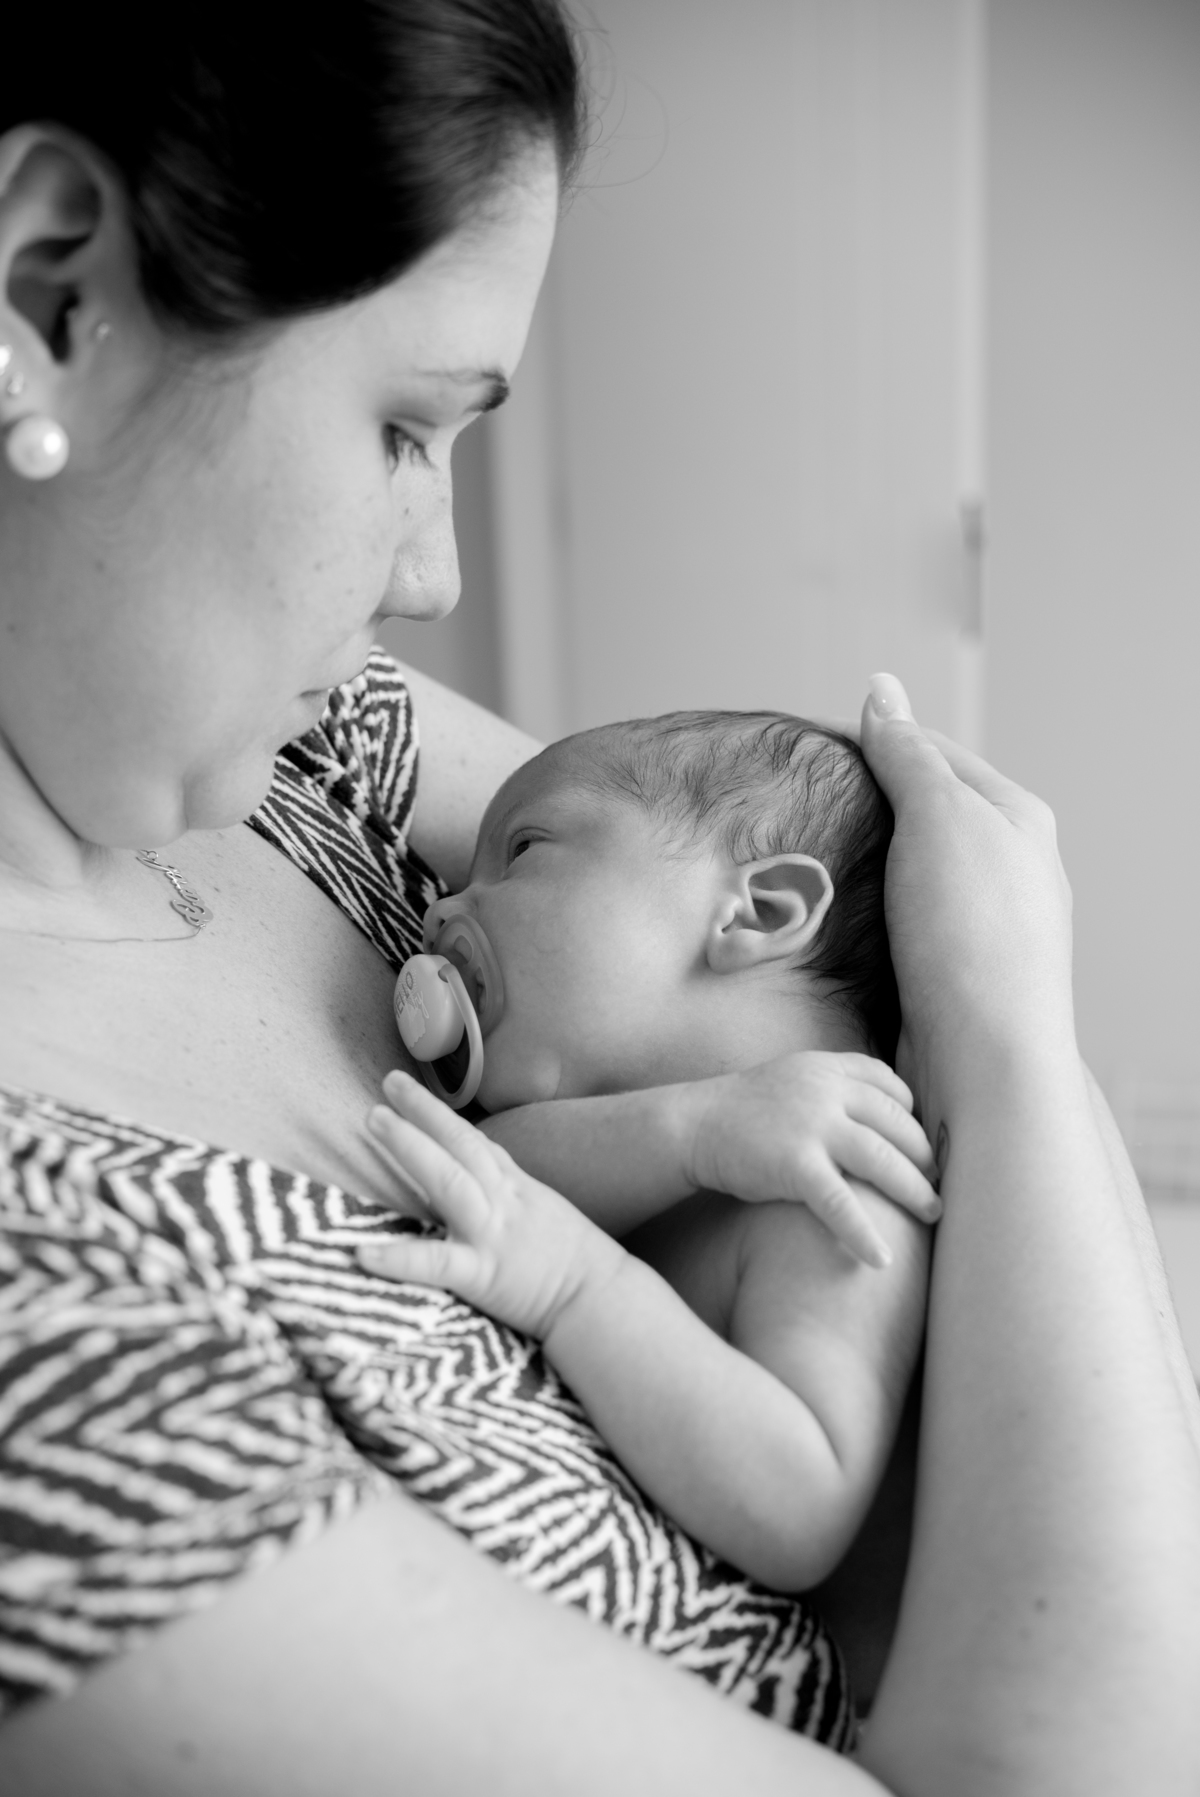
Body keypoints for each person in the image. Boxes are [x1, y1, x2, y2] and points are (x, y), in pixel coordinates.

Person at [1, 5, 1199, 1793]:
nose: (435, 574)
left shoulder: (304, 741)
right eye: (407, 426)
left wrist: (992, 1012)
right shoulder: (45, 1339)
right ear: (48, 293)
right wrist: (1013, 1033)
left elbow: (808, 899)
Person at [359, 709, 939, 1597]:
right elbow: (485, 1172)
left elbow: (798, 1502)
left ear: (757, 911)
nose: (441, 910)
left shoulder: (844, 1179)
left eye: (523, 850)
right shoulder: (650, 1130)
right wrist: (688, 1130)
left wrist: (577, 1286)